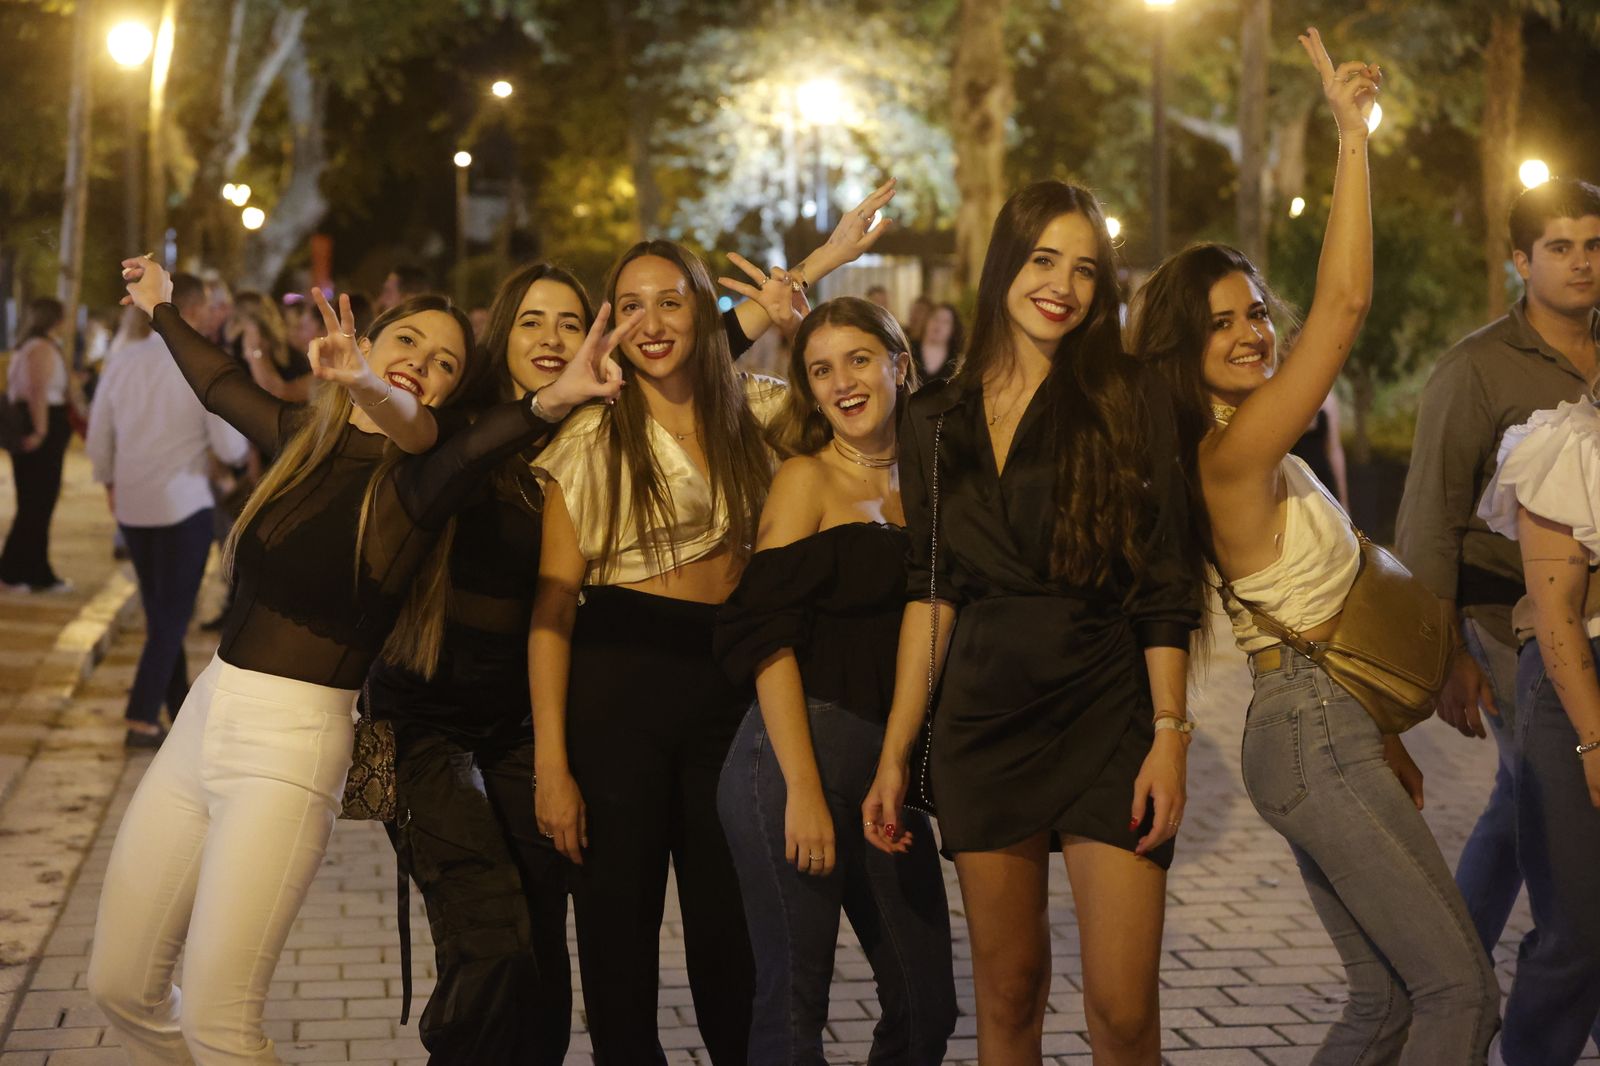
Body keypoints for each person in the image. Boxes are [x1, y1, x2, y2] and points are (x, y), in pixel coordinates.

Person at [87, 254, 632, 1066]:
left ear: (447, 397)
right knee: (120, 988)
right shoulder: (301, 442)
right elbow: (216, 380)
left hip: (291, 749)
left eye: (446, 363)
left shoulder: (422, 485)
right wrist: (164, 306)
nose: (424, 362)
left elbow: (479, 432)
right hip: (206, 718)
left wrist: (543, 397)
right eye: (407, 340)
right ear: (367, 339)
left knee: (221, 1024)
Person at [1140, 32, 1499, 1063]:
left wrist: (1374, 726)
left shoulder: (1250, 450)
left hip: (1319, 725)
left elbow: (1320, 611)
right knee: (1459, 992)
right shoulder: (1230, 453)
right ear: (1183, 349)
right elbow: (1341, 311)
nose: (1253, 332)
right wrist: (1352, 139)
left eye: (1256, 311)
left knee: (1387, 1003)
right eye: (1224, 324)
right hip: (1308, 733)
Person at [530, 182, 897, 1066]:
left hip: (733, 683)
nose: (652, 321)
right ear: (610, 327)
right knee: (617, 935)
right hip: (617, 683)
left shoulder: (761, 410)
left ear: (702, 310)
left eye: (671, 301)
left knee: (731, 930)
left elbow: (860, 403)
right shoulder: (589, 436)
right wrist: (552, 764)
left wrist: (817, 272)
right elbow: (550, 611)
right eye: (629, 306)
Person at [862, 176, 1200, 1063]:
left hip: (1109, 712)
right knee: (1009, 995)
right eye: (1044, 259)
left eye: (1086, 270)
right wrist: (897, 753)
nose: (1063, 285)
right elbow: (930, 595)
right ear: (1004, 264)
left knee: (1123, 1012)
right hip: (983, 723)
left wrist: (1171, 735)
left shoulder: (1130, 396)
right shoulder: (935, 417)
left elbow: (1166, 583)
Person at [714, 297, 955, 1065]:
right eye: (820, 369)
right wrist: (805, 790)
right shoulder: (805, 481)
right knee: (795, 1003)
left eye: (858, 359)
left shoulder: (938, 485)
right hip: (790, 761)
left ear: (900, 365)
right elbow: (765, 638)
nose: (842, 382)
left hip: (889, 770)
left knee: (928, 1008)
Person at [1396, 177, 1600, 970]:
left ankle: (1447, 973)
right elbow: (1429, 518)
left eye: (1593, 245)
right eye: (1559, 248)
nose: (1581, 264)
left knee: (1524, 803)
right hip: (1506, 621)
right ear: (1522, 260)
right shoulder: (1476, 369)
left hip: (1591, 618)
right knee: (1546, 792)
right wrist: (1444, 656)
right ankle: (1552, 968)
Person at [1478, 398, 1600, 1065]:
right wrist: (1594, 738)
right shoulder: (1565, 443)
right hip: (1578, 686)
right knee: (1576, 927)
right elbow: (1556, 612)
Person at [86, 303, 250, 748]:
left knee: (163, 613)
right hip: (184, 503)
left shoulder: (122, 361)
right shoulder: (200, 366)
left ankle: (177, 708)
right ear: (193, 311)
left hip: (135, 507)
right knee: (172, 617)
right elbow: (231, 445)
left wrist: (108, 481)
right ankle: (141, 715)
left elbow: (99, 431)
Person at [2, 296, 76, 593]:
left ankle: (33, 570)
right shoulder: (41, 349)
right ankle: (15, 571)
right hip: (42, 428)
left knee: (35, 503)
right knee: (37, 503)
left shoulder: (26, 348)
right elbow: (37, 391)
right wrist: (42, 431)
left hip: (34, 426)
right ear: (56, 319)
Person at [1289, 393, 1349, 506]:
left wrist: (1343, 500)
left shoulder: (1329, 400)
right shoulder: (1282, 396)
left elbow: (1334, 449)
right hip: (1293, 478)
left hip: (1322, 478)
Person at [911, 301, 964, 382]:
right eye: (936, 318)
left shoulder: (957, 360)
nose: (939, 324)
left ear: (953, 329)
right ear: (926, 321)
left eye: (946, 322)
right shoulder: (909, 348)